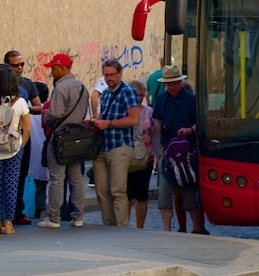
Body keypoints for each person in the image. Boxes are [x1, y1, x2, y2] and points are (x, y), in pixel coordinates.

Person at [152, 65, 207, 234]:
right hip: (166, 151)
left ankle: (196, 228)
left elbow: (202, 123)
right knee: (164, 193)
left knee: (188, 192)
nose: (172, 87)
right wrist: (158, 151)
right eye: (168, 84)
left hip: (186, 152)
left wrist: (190, 130)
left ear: (180, 82)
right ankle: (167, 230)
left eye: (175, 83)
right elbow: (157, 125)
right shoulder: (161, 98)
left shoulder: (191, 99)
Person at [38, 53, 89, 229]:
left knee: (57, 179)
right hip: (77, 137)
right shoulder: (82, 87)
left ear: (62, 68)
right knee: (76, 178)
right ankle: (78, 217)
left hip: (59, 138)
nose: (52, 71)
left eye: (53, 68)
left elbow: (55, 113)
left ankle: (54, 218)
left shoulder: (60, 88)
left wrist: (45, 116)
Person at [0, 65, 31, 234]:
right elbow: (27, 129)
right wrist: (21, 146)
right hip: (13, 148)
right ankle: (8, 222)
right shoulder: (20, 102)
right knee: (11, 185)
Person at [88, 59, 140, 227]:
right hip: (102, 147)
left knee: (118, 190)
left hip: (120, 145)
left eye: (112, 75)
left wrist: (108, 123)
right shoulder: (105, 93)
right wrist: (95, 122)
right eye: (106, 75)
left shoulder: (128, 92)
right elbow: (103, 118)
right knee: (102, 191)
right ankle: (108, 227)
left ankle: (121, 229)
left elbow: (134, 119)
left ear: (120, 73)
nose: (109, 78)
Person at [2, 50, 42, 224]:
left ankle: (17, 211)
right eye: (15, 65)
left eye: (22, 64)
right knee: (1, 175)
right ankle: (0, 213)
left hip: (22, 134)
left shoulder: (28, 84)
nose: (19, 68)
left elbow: (39, 107)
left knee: (20, 174)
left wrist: (25, 108)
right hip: (2, 135)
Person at [125, 80, 154, 229]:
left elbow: (154, 132)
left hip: (146, 157)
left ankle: (140, 227)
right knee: (127, 193)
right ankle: (123, 225)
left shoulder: (149, 111)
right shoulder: (124, 110)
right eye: (137, 95)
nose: (139, 98)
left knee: (142, 194)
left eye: (142, 95)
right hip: (128, 156)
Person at [29, 82, 50, 219]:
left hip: (30, 157)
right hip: (44, 156)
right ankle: (39, 213)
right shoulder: (48, 110)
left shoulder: (28, 110)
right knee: (41, 188)